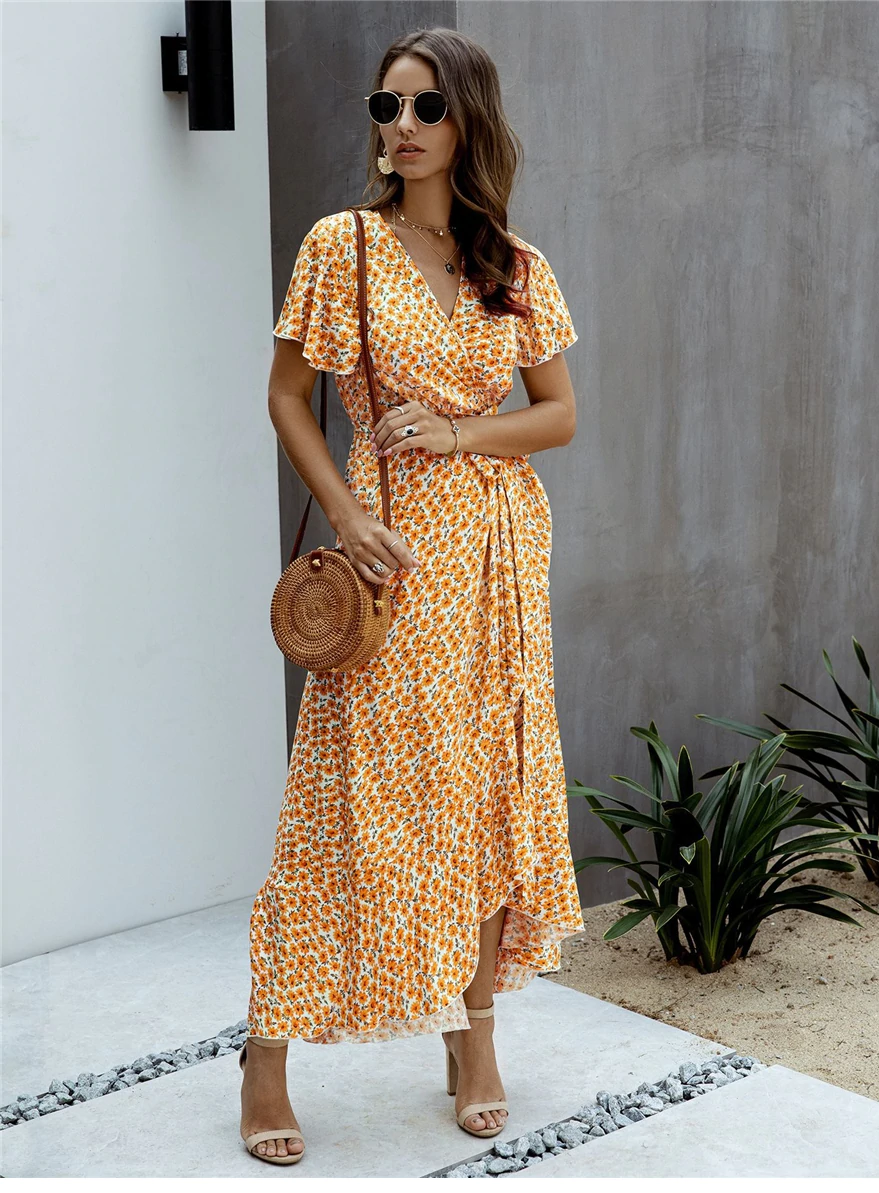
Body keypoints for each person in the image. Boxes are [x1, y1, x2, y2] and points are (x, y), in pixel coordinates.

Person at [238, 27, 586, 1166]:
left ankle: (472, 1037)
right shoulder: (340, 245)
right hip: (390, 570)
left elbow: (559, 413)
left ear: (467, 118)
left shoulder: (514, 264)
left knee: (483, 797)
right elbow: (287, 396)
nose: (401, 127)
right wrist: (346, 516)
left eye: (426, 107)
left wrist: (460, 432)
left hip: (498, 567)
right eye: (385, 106)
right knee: (340, 803)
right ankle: (267, 1053)